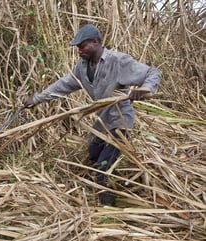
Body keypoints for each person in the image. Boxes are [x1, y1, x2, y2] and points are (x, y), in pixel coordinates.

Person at [24, 24, 161, 206]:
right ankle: (113, 177)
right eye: (78, 47)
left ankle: (108, 206)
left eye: (82, 46)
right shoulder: (82, 68)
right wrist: (36, 99)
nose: (79, 51)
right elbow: (63, 85)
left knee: (103, 166)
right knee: (93, 154)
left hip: (119, 121)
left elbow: (153, 72)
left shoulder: (117, 61)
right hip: (101, 121)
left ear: (96, 42)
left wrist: (144, 89)